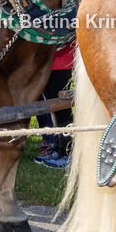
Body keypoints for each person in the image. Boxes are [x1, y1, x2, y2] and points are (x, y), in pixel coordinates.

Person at [33, 41, 76, 169]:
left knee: (62, 110)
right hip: (49, 62)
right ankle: (58, 149)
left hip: (61, 62)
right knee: (52, 108)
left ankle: (67, 154)